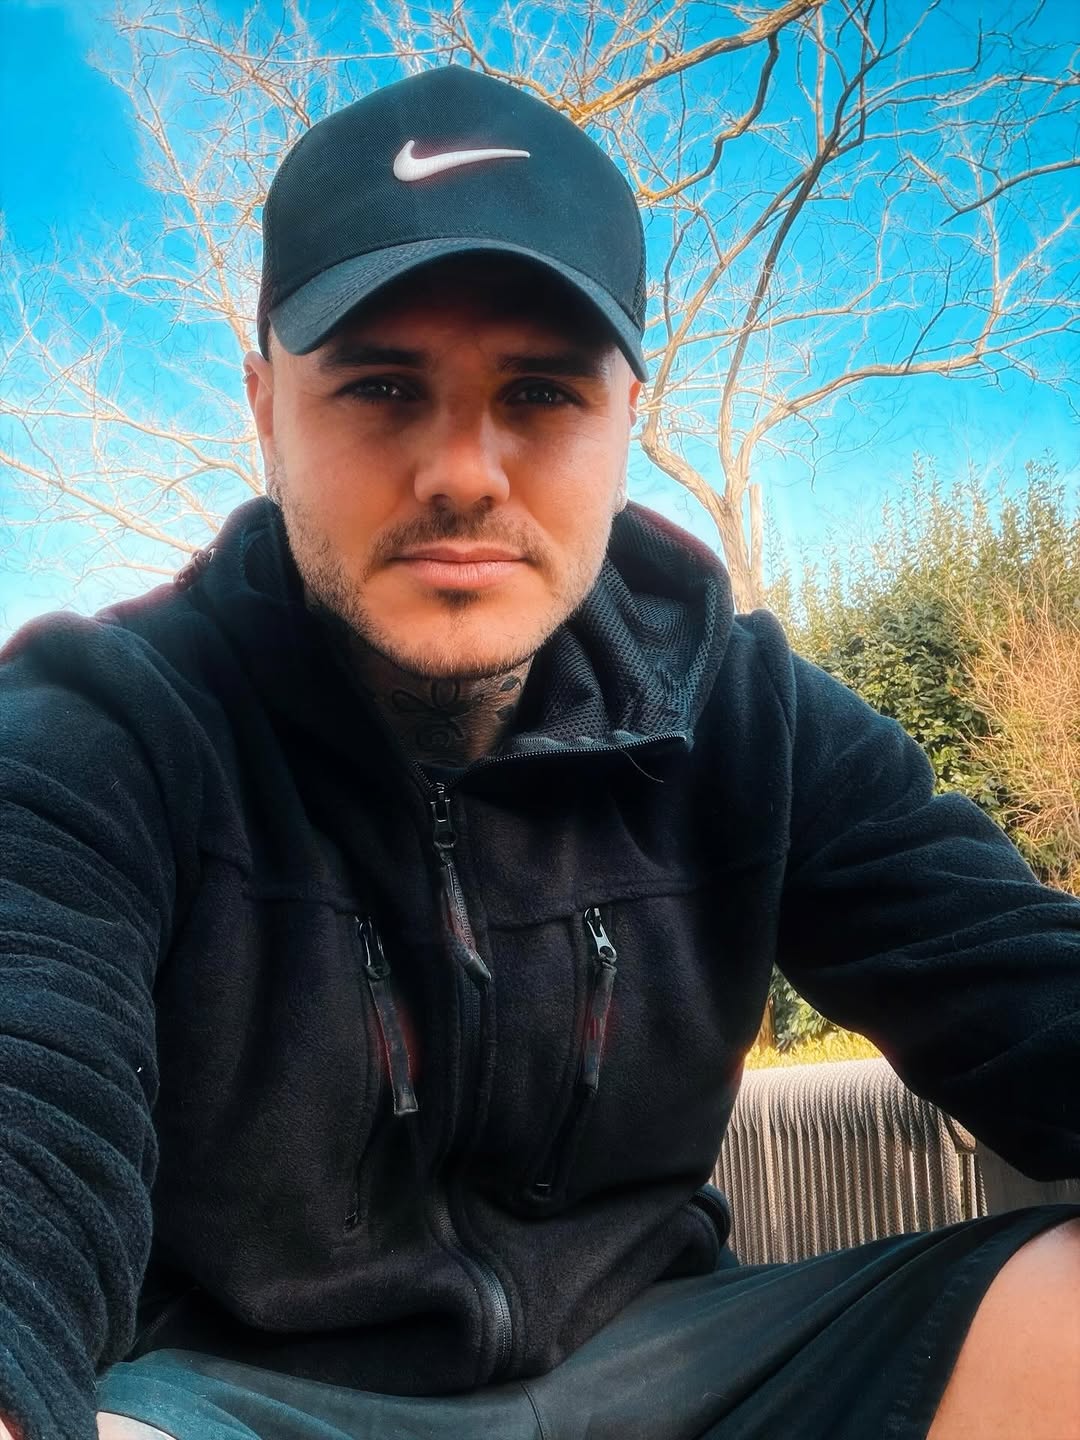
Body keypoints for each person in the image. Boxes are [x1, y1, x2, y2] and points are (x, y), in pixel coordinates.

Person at [0, 63, 1078, 1440]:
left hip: (683, 1371)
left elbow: (1031, 994)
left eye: (543, 392)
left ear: (631, 413)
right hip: (243, 1404)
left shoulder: (741, 713)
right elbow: (27, 1117)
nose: (464, 470)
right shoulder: (102, 730)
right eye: (382, 386)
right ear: (265, 407)